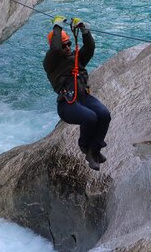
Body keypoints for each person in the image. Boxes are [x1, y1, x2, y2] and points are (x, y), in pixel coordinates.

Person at [43, 15, 111, 170]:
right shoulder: (51, 63)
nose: (67, 48)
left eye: (69, 44)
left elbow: (90, 48)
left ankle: (94, 150)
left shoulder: (77, 58)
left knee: (104, 114)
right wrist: (57, 27)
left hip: (84, 97)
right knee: (90, 117)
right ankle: (85, 146)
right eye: (64, 45)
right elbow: (55, 48)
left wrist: (84, 30)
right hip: (67, 103)